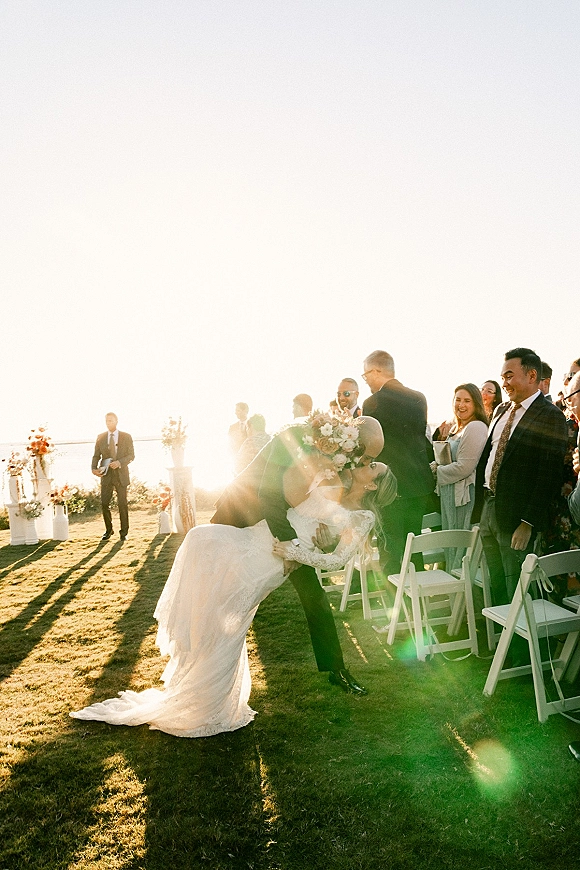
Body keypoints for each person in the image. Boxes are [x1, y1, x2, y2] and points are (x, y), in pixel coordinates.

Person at [71, 461, 397, 738]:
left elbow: (337, 559)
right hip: (255, 538)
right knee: (201, 544)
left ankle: (210, 706)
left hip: (272, 559)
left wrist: (296, 551)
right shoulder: (331, 482)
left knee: (232, 620)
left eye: (372, 467)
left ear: (372, 486)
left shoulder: (361, 518)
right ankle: (195, 687)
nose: (364, 464)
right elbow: (296, 509)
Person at [211, 414, 385, 694]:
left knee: (315, 599)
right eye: (367, 456)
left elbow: (323, 508)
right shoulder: (294, 435)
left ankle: (336, 670)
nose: (363, 463)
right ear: (354, 440)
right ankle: (212, 663)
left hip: (289, 532)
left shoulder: (341, 460)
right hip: (243, 514)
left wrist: (322, 542)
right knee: (226, 592)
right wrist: (291, 547)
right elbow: (268, 495)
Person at [472, 348, 568, 608]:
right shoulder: (502, 410)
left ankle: (520, 649)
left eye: (510, 376)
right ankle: (501, 646)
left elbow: (549, 476)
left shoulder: (550, 416)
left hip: (516, 519)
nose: (504, 383)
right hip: (489, 510)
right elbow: (489, 457)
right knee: (497, 585)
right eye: (502, 377)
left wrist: (527, 523)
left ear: (532, 375)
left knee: (517, 591)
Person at [361, 350, 435, 575]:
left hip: (388, 488)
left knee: (391, 551)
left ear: (376, 371)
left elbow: (370, 447)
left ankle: (397, 607)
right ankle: (419, 601)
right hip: (418, 485)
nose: (366, 381)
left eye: (365, 375)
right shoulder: (418, 398)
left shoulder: (372, 402)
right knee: (415, 548)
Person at [433, 384, 488, 569]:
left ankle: (464, 593)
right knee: (450, 545)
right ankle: (452, 590)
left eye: (467, 401)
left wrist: (434, 474)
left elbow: (465, 466)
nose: (461, 405)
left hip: (463, 498)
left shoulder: (476, 427)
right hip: (449, 494)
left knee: (461, 549)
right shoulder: (457, 427)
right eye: (458, 400)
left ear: (476, 404)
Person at [92, 413, 135, 542]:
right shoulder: (101, 437)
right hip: (106, 475)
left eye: (110, 420)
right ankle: (108, 530)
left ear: (116, 421)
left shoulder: (126, 437)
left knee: (122, 504)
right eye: (106, 421)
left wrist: (119, 462)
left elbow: (131, 455)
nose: (108, 422)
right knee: (104, 503)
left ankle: (124, 533)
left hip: (121, 475)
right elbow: (96, 456)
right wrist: (93, 469)